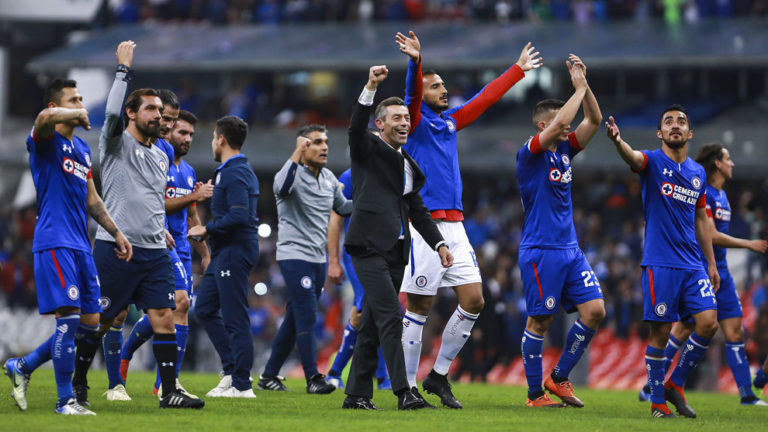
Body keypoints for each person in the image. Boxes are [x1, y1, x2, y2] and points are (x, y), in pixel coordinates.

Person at [395, 31, 541, 408]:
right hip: (424, 226)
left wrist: (517, 71)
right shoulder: (414, 124)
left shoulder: (448, 123)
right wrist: (416, 63)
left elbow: (483, 100)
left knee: (474, 300)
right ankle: (407, 387)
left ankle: (439, 376)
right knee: (419, 307)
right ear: (422, 92)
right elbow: (411, 96)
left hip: (455, 225)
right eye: (436, 86)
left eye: (444, 85)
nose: (444, 90)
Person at [71, 40, 204, 409]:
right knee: (99, 320)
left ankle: (170, 391)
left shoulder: (160, 155)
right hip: (117, 248)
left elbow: (149, 198)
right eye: (150, 109)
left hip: (155, 251)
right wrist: (123, 71)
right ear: (131, 113)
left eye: (161, 111)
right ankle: (79, 382)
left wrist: (159, 227)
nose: (159, 116)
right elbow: (111, 112)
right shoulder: (114, 143)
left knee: (165, 315)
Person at [2, 78, 132, 415]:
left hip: (80, 246)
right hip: (54, 242)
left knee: (90, 324)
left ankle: (24, 366)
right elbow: (42, 121)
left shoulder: (83, 150)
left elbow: (93, 199)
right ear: (56, 107)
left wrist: (116, 232)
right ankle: (65, 401)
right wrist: (66, 112)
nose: (80, 104)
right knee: (69, 322)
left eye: (80, 99)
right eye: (73, 100)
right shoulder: (45, 142)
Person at [341, 65, 453, 411]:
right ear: (381, 124)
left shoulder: (407, 162)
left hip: (395, 250)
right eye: (396, 119)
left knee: (374, 324)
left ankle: (356, 395)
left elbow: (416, 208)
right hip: (367, 248)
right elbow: (354, 128)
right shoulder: (367, 150)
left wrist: (439, 243)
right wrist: (371, 86)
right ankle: (405, 392)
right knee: (392, 315)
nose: (404, 123)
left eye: (406, 117)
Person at [606, 105, 720, 418]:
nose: (675, 126)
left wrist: (710, 263)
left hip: (693, 264)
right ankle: (657, 402)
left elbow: (701, 221)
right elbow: (633, 157)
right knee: (659, 334)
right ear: (660, 133)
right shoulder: (653, 162)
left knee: (709, 323)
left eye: (681, 121)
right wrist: (618, 141)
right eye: (668, 122)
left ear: (690, 133)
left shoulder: (698, 173)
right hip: (660, 264)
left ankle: (676, 385)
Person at [637, 143, 768, 406]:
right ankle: (653, 387)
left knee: (735, 331)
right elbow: (708, 233)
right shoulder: (703, 192)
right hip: (698, 267)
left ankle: (746, 394)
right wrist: (748, 243)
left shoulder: (722, 195)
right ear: (717, 164)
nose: (732, 164)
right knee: (685, 326)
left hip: (722, 271)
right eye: (728, 159)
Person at [516, 55, 604, 408]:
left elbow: (593, 119)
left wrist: (586, 86)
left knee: (595, 310)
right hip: (541, 249)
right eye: (556, 123)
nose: (565, 127)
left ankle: (559, 378)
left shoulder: (565, 150)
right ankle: (534, 395)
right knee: (540, 320)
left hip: (571, 250)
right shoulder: (530, 153)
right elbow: (567, 119)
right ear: (541, 126)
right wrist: (577, 89)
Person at [118, 106, 213, 397]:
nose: (187, 138)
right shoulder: (156, 163)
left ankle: (128, 354)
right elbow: (152, 204)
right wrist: (192, 196)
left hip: (183, 248)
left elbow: (192, 217)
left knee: (170, 312)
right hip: (158, 243)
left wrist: (206, 253)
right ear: (167, 132)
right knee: (181, 305)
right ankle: (164, 385)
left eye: (190, 134)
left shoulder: (188, 171)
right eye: (181, 132)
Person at [257, 125, 352, 394]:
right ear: (303, 146)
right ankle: (313, 377)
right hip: (293, 256)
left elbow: (343, 207)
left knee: (296, 316)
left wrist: (369, 202)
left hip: (317, 259)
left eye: (326, 141)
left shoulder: (330, 179)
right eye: (317, 142)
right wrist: (297, 152)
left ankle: (268, 375)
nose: (324, 147)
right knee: (308, 313)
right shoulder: (291, 175)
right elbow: (282, 187)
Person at [188, 115, 260, 398]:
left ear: (221, 139)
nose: (211, 143)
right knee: (204, 308)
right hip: (224, 252)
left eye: (212, 138)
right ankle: (231, 371)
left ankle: (242, 384)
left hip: (234, 250)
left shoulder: (235, 172)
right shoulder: (230, 171)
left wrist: (206, 228)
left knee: (235, 316)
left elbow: (240, 215)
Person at [325, 166, 392, 391]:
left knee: (379, 311)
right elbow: (335, 219)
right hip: (357, 254)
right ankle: (337, 372)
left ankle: (381, 377)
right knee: (365, 308)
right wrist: (333, 260)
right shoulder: (350, 176)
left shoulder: (390, 172)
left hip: (383, 253)